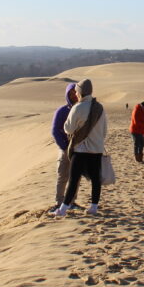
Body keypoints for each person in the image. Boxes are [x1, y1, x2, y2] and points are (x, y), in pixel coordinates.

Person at [55, 79, 108, 217]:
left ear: (80, 93)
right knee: (96, 180)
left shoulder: (77, 108)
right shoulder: (100, 108)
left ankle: (62, 209)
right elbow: (104, 131)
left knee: (73, 180)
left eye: (77, 92)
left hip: (80, 150)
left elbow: (68, 129)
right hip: (96, 149)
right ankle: (94, 207)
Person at [50, 82, 78, 214]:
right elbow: (55, 131)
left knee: (75, 177)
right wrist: (65, 147)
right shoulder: (62, 111)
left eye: (75, 93)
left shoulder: (82, 109)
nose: (73, 96)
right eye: (70, 94)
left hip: (79, 150)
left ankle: (72, 201)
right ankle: (59, 202)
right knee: (62, 176)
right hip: (65, 150)